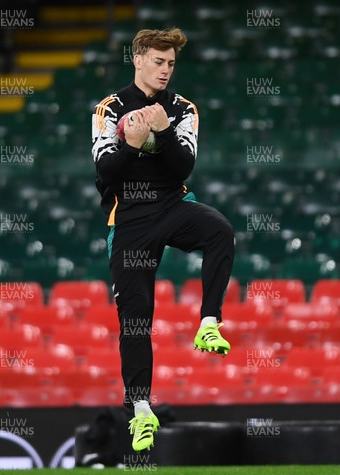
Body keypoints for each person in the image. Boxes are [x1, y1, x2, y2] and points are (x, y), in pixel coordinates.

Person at [91, 27, 235, 452]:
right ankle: (140, 411)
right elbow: (105, 172)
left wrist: (164, 131)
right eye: (158, 61)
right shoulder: (110, 108)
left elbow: (183, 166)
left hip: (172, 206)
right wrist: (133, 144)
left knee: (219, 229)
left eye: (171, 63)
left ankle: (209, 323)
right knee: (136, 318)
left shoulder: (182, 108)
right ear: (137, 59)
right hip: (130, 219)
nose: (165, 70)